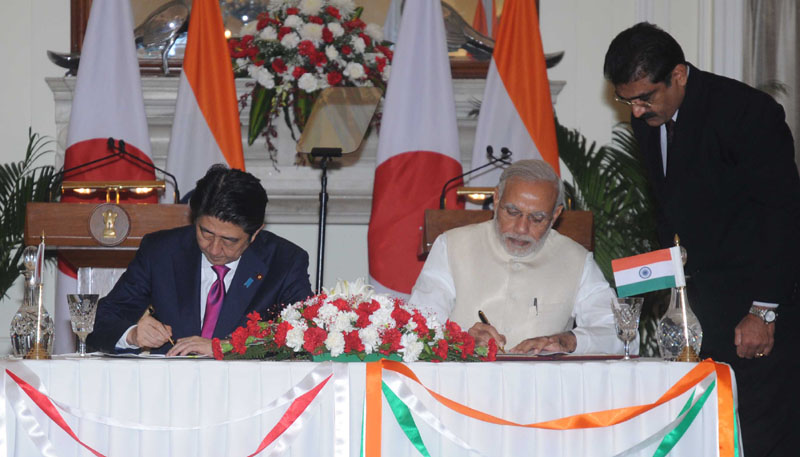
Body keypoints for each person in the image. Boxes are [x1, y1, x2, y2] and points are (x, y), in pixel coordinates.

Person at [604, 22, 800, 456]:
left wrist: (763, 311)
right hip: (700, 312)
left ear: (678, 74)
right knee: (707, 436)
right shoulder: (649, 120)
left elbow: (781, 216)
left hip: (756, 311)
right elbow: (672, 212)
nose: (635, 111)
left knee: (760, 436)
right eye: (626, 100)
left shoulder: (747, 112)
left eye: (644, 97)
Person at [86, 165, 313, 356]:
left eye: (229, 240)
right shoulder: (161, 251)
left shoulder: (285, 262)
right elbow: (100, 322)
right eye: (206, 233)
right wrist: (133, 334)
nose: (214, 249)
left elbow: (305, 337)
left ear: (255, 234)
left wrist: (226, 348)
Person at [409, 160, 627, 355]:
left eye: (537, 218)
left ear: (556, 215)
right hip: (460, 387)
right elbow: (417, 327)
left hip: (541, 391)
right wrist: (461, 339)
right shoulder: (451, 246)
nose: (522, 228)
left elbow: (620, 333)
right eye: (512, 212)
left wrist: (567, 340)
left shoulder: (577, 260)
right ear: (496, 200)